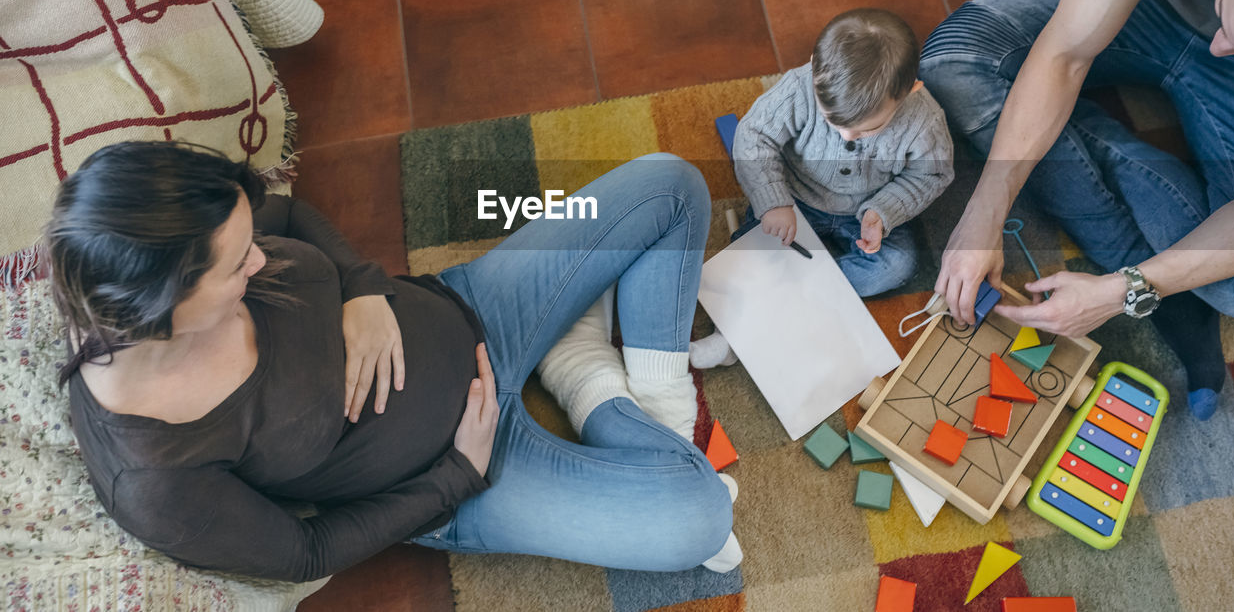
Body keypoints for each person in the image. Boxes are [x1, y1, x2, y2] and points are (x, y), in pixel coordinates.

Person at [47, 141, 740, 583]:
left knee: (670, 184)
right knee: (699, 518)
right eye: (237, 266)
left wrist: (362, 285)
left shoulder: (199, 244)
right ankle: (588, 374)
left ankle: (625, 382)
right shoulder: (156, 478)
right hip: (468, 470)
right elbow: (303, 552)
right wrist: (456, 476)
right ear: (162, 309)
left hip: (471, 305)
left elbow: (286, 217)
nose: (259, 260)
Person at [919, 0, 1234, 420]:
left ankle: (1079, 159)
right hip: (1145, 4)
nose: (1219, 45)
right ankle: (1140, 236)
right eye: (1227, 13)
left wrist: (1126, 290)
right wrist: (984, 211)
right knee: (954, 59)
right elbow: (1065, 51)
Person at [692, 8, 954, 369]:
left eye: (867, 129)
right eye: (833, 121)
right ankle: (745, 331)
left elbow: (933, 175)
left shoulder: (924, 121)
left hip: (863, 213)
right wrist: (773, 202)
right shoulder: (800, 87)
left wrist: (884, 211)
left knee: (897, 265)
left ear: (910, 91)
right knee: (755, 251)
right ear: (815, 67)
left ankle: (778, 307)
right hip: (793, 201)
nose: (847, 136)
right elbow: (753, 137)